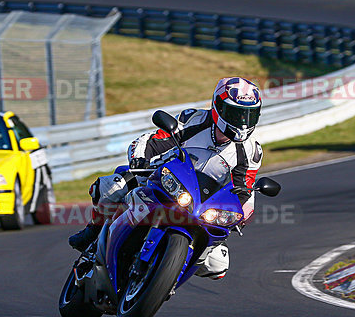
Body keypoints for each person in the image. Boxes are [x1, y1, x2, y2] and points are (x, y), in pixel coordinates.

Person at [68, 77, 264, 280]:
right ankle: (93, 231)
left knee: (218, 265)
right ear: (218, 107)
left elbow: (245, 190)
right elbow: (153, 140)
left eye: (248, 115)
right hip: (163, 178)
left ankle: (167, 279)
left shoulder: (250, 151)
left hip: (203, 205)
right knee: (110, 188)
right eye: (236, 113)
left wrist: (237, 217)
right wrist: (140, 160)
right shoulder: (193, 120)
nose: (242, 121)